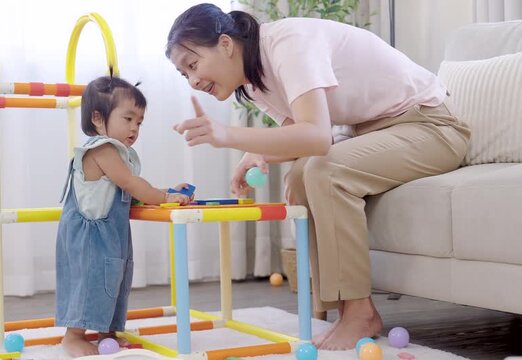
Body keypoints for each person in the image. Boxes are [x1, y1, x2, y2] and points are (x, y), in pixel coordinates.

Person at [166, 3, 470, 351]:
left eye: (193, 65)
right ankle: (336, 305)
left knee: (326, 171)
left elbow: (316, 138)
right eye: (184, 74)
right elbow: (298, 135)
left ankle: (359, 311)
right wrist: (257, 153)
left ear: (225, 44)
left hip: (432, 125)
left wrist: (227, 136)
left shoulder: (287, 44)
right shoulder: (254, 83)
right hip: (369, 132)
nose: (193, 80)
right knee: (298, 178)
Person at [55, 75, 192, 356]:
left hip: (111, 232)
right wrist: (164, 197)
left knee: (115, 280)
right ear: (97, 118)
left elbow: (134, 188)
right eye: (128, 119)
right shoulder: (102, 149)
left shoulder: (118, 153)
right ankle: (73, 336)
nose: (134, 128)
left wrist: (167, 191)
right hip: (90, 235)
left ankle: (108, 331)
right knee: (91, 280)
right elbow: (130, 183)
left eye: (139, 122)